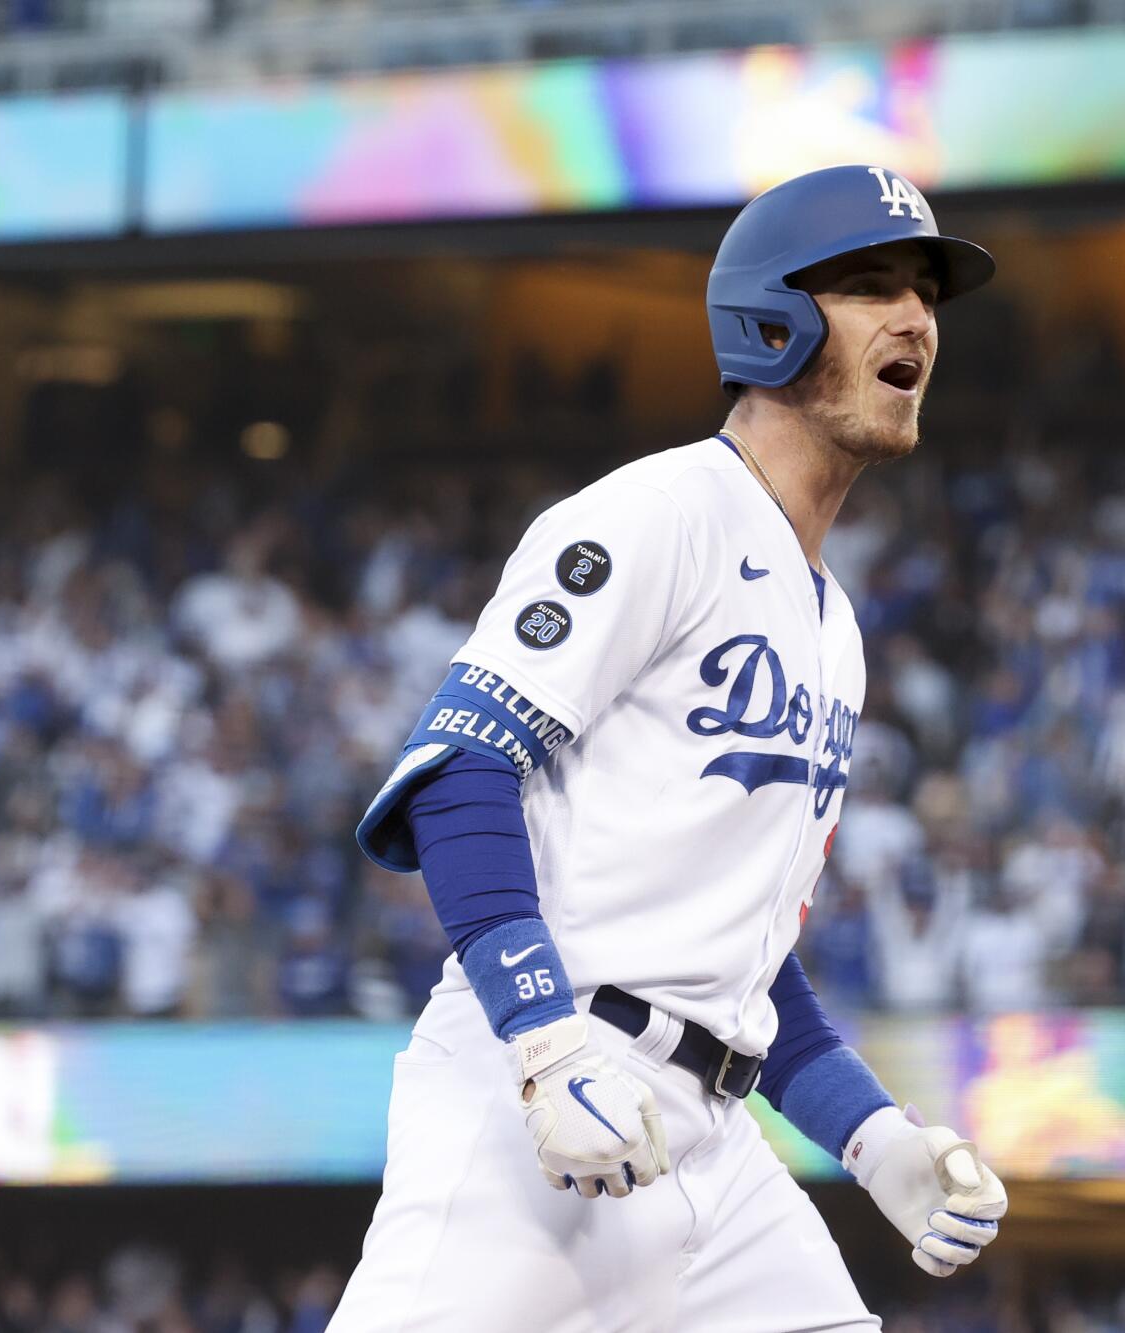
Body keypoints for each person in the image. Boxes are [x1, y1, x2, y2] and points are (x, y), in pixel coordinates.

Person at [328, 165, 1007, 1332]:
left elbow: (738, 961)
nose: (915, 320)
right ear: (772, 315)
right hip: (540, 1094)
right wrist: (542, 1040)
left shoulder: (832, 625)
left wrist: (871, 1133)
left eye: (926, 295)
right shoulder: (658, 513)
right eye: (869, 286)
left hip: (718, 1147)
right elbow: (458, 777)